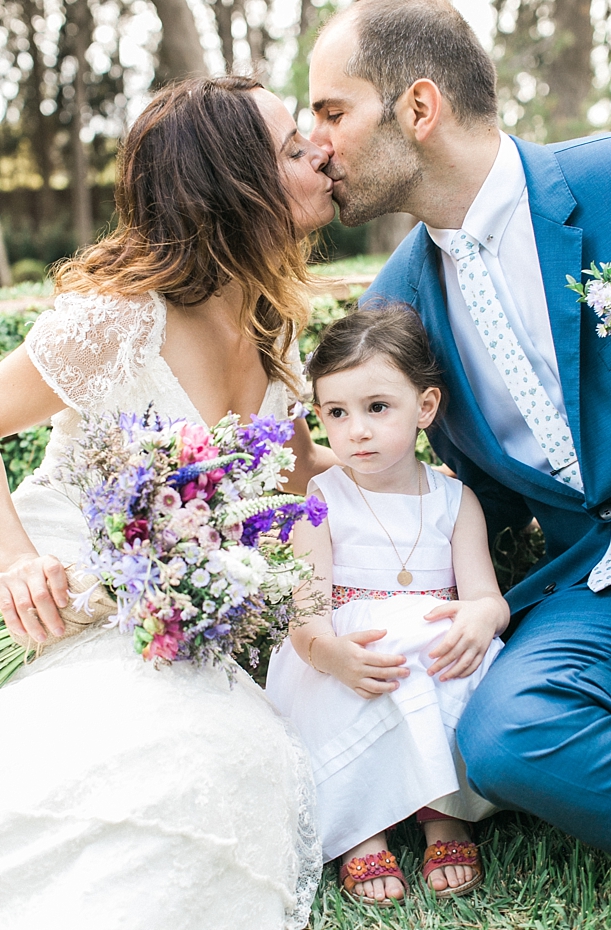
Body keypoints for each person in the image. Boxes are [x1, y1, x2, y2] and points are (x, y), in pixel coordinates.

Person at [0, 76, 337, 930]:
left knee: (238, 746)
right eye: (294, 149)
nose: (321, 155)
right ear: (236, 185)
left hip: (187, 616)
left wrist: (427, 486)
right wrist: (16, 565)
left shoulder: (272, 325)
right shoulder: (118, 320)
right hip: (79, 609)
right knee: (181, 754)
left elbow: (297, 475)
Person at [308, 0, 611, 855]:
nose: (315, 144)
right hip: (594, 584)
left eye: (333, 112)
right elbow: (450, 484)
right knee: (506, 738)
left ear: (417, 108)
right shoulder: (393, 307)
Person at [266, 306, 508, 905]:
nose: (357, 431)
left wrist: (481, 617)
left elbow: (485, 598)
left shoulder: (455, 499)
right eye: (337, 414)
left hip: (430, 646)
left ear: (425, 407)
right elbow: (308, 614)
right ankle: (360, 830)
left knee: (460, 667)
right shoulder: (322, 498)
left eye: (378, 408)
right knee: (343, 694)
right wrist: (330, 655)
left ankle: (440, 812)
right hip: (350, 651)